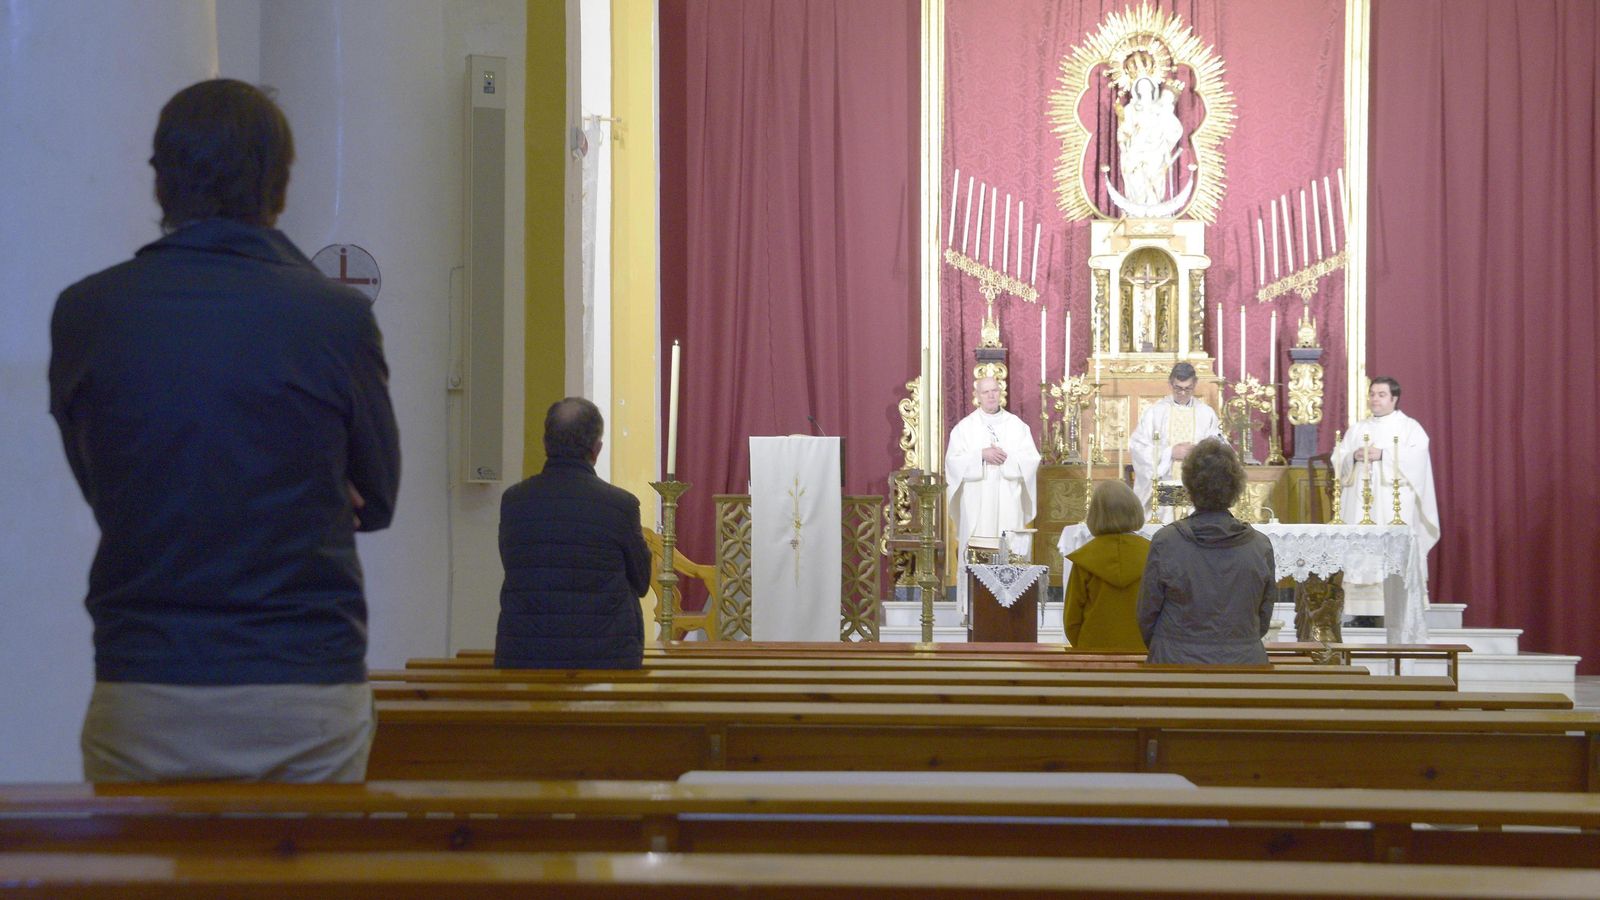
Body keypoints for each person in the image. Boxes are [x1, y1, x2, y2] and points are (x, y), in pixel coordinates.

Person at [49, 79, 400, 782]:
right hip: (304, 685)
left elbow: (103, 484)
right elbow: (380, 496)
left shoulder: (88, 312)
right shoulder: (333, 319)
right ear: (280, 185)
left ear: (160, 181)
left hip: (146, 678)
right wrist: (316, 488)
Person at [495, 397, 652, 669]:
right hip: (606, 656)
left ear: (546, 444)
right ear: (596, 449)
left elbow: (515, 566)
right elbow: (641, 581)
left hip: (526, 655)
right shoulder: (620, 505)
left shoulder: (514, 502)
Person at [1137, 439, 1276, 664]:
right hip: (1243, 667)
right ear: (1236, 489)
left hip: (1175, 666)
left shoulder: (1167, 541)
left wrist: (1169, 646)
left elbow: (1147, 613)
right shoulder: (1259, 546)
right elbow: (1262, 616)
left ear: (1190, 488)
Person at [1330, 377, 1439, 643]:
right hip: (1360, 502)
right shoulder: (1358, 429)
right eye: (1372, 394)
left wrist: (1385, 455)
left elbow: (1418, 459)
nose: (1374, 399)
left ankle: (1396, 610)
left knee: (1391, 550)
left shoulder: (1410, 428)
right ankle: (1360, 611)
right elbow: (1339, 456)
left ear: (1394, 399)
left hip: (1392, 500)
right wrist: (1351, 456)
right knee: (1359, 548)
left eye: (1381, 395)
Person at [944, 376, 1042, 616]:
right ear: (977, 395)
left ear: (1001, 393)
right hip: (977, 502)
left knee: (1010, 549)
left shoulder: (1017, 426)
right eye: (985, 391)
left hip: (1008, 500)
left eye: (994, 390)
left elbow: (1032, 460)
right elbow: (952, 463)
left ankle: (1012, 610)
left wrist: (1007, 458)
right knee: (977, 552)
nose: (991, 395)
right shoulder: (965, 428)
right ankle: (973, 609)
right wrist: (980, 455)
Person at [1063, 481, 1150, 652]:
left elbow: (1072, 620)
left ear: (1095, 515)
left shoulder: (1085, 559)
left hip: (1093, 652)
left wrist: (1084, 647)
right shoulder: (1152, 554)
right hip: (1143, 650)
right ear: (1134, 509)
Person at [1129, 362, 1222, 519]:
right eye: (1178, 388)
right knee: (1167, 528)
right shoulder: (1155, 412)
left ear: (1195, 384)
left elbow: (1218, 447)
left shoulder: (1206, 414)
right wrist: (1169, 452)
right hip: (1165, 487)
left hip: (1197, 488)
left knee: (1194, 532)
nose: (1183, 393)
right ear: (1171, 383)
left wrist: (1199, 452)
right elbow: (1138, 447)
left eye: (1188, 388)